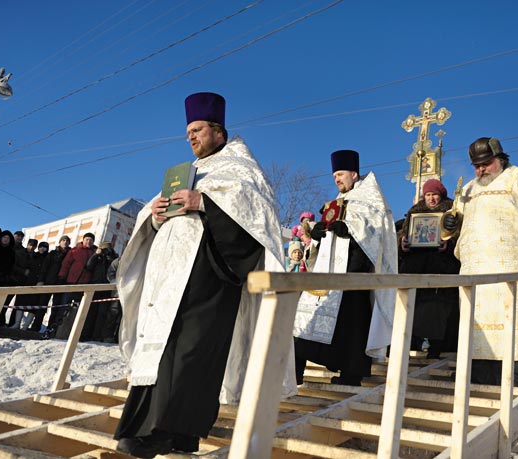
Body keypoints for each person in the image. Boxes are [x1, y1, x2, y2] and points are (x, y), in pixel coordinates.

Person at [113, 92, 295, 458]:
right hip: (170, 281)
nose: (191, 137)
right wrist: (156, 215)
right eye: (188, 133)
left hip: (211, 276)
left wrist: (205, 204)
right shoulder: (189, 172)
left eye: (197, 130)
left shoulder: (244, 171)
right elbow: (153, 216)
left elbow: (256, 225)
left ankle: (163, 431)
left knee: (194, 353)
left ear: (219, 132)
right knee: (165, 349)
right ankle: (170, 432)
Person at [441, 137, 518, 386]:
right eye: (476, 165)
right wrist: (449, 223)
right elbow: (455, 218)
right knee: (475, 320)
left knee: (511, 318)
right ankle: (476, 369)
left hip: (509, 263)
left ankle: (513, 371)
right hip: (474, 266)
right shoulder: (468, 189)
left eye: (486, 163)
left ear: (500, 159)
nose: (480, 169)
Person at [294, 149, 397, 387]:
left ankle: (352, 374)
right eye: (334, 177)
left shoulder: (370, 199)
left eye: (340, 174)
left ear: (354, 173)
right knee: (305, 315)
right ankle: (295, 373)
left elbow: (376, 231)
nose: (337, 179)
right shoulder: (336, 202)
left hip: (355, 271)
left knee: (353, 323)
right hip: (329, 272)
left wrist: (350, 230)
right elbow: (330, 230)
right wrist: (319, 232)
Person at [397, 179, 460, 358]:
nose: (431, 199)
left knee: (436, 310)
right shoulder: (414, 213)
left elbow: (459, 237)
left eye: (434, 195)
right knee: (412, 308)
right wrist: (403, 243)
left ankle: (436, 347)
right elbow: (404, 233)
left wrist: (448, 246)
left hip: (440, 268)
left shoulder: (452, 212)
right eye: (428, 195)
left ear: (441, 195)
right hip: (415, 267)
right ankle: (410, 345)